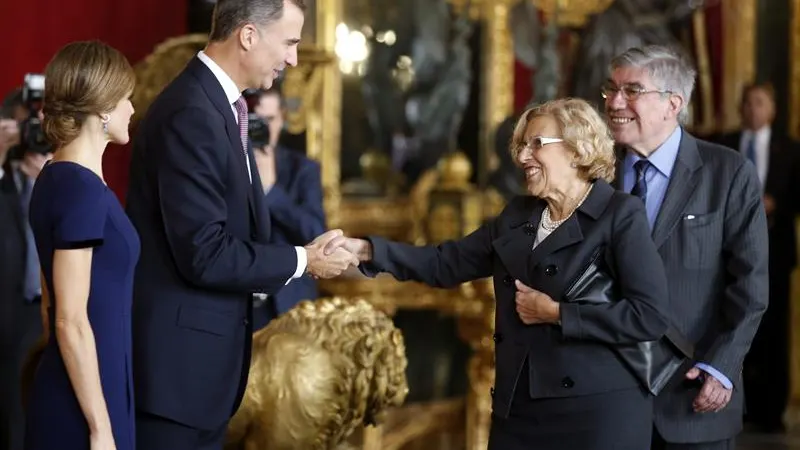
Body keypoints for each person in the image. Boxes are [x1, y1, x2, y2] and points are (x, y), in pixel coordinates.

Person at [325, 98, 672, 450]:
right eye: (521, 146)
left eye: (537, 144)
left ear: (576, 149)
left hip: (596, 415)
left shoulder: (619, 214)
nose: (523, 157)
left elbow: (650, 316)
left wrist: (558, 314)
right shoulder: (518, 214)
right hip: (518, 412)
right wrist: (368, 250)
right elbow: (445, 262)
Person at [124, 1, 358, 449]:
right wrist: (302, 259)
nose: (293, 59)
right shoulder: (193, 112)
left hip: (203, 376)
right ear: (248, 36)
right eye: (289, 43)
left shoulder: (220, 106)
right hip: (177, 377)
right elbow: (206, 252)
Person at [603, 44, 769, 449]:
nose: (614, 102)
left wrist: (722, 367)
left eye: (632, 91)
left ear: (672, 103)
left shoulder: (727, 173)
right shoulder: (594, 175)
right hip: (604, 407)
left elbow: (750, 286)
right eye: (610, 89)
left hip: (693, 399)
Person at [24, 40, 138, 450]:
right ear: (104, 107)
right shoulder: (80, 189)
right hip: (86, 403)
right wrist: (100, 428)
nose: (131, 108)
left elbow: (48, 305)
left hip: (84, 382)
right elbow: (68, 319)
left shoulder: (56, 176)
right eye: (127, 98)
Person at [714, 82, 800, 433]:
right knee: (732, 325)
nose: (752, 109)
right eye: (747, 102)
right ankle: (737, 404)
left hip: (775, 252)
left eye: (759, 102)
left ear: (773, 109)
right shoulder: (724, 146)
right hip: (728, 253)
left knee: (773, 330)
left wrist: (776, 204)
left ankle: (771, 409)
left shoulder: (791, 150)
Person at [247, 88, 326, 329]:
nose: (262, 129)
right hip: (238, 300)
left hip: (288, 303)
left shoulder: (303, 170)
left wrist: (271, 190)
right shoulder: (225, 164)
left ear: (281, 119)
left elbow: (315, 233)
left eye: (269, 120)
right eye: (255, 122)